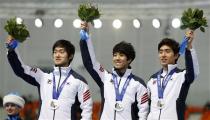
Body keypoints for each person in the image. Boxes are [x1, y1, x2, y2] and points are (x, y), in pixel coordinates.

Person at [6, 36, 93, 120]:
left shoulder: (79, 81)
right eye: (55, 52)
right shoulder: (42, 76)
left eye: (61, 52)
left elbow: (87, 107)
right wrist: (12, 51)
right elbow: (20, 70)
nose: (57, 55)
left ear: (70, 56)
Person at [79, 22, 149, 120]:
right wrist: (85, 38)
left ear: (129, 59)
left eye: (121, 55)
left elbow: (143, 113)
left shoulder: (139, 84)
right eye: (115, 55)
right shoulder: (105, 77)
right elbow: (89, 62)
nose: (117, 58)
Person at [147, 30, 199, 120]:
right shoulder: (152, 79)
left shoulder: (182, 76)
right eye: (160, 52)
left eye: (167, 51)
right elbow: (147, 106)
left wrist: (189, 47)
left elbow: (193, 72)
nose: (163, 55)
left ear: (175, 55)